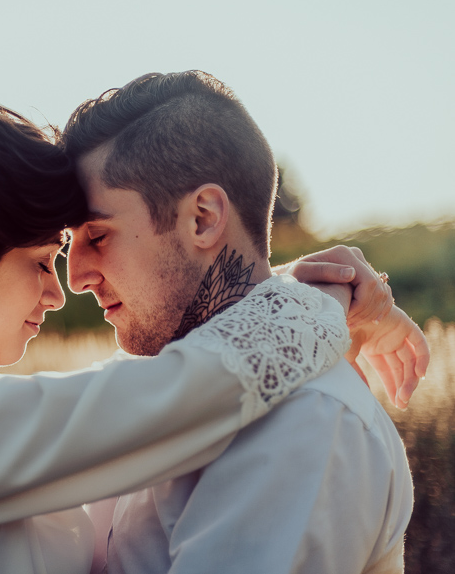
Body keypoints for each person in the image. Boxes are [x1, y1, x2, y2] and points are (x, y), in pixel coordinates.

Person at [0, 95, 424, 574]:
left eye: (96, 237)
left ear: (204, 218)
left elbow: (146, 397)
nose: (68, 287)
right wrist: (324, 300)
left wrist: (283, 285)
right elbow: (179, 391)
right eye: (43, 261)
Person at [62, 70, 426, 573]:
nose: (75, 277)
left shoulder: (303, 420)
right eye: (67, 243)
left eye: (98, 237)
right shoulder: (152, 389)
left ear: (204, 218)